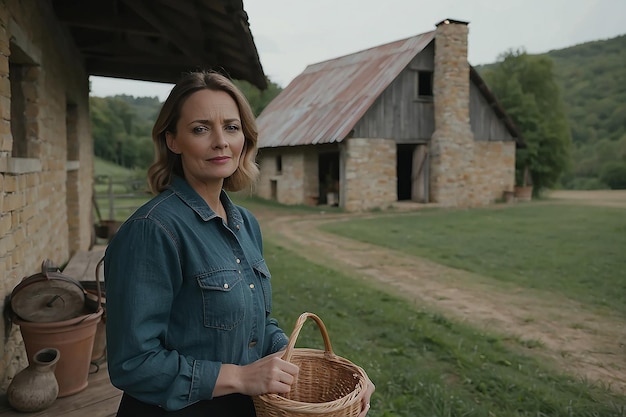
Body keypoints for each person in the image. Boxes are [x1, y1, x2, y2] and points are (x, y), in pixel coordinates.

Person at [103, 70, 374, 416]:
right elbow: (133, 362)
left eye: (231, 127)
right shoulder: (152, 230)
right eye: (200, 129)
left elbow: (256, 327)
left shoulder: (245, 223)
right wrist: (240, 377)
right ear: (172, 140)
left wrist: (305, 363)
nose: (221, 141)